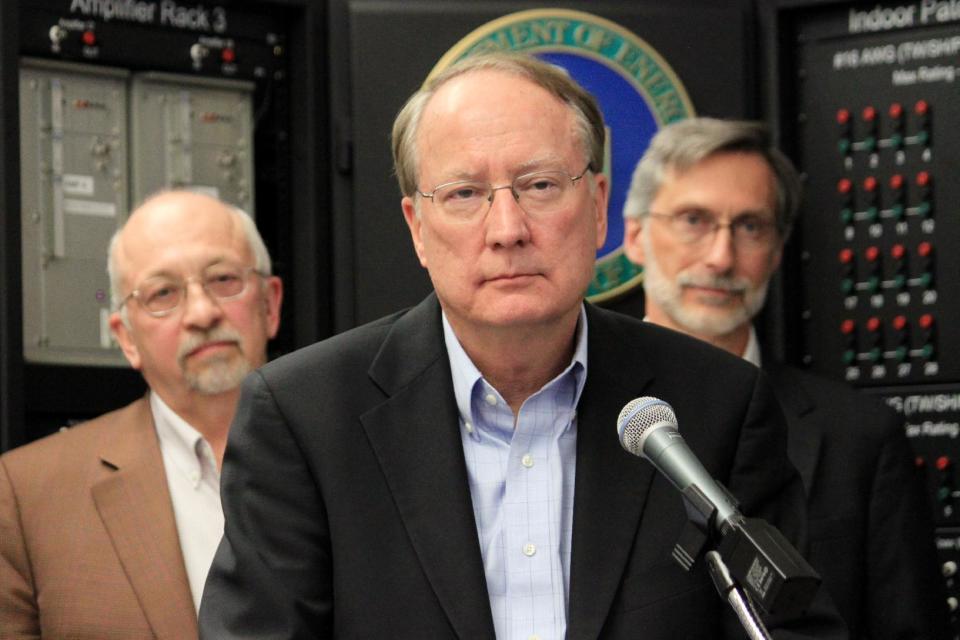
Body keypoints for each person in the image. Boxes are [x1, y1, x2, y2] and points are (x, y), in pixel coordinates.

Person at [199, 54, 843, 638]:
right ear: (417, 229)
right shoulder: (305, 418)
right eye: (464, 194)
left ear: (596, 207)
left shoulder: (716, 407)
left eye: (539, 186)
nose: (507, 229)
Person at [622, 116, 950, 638]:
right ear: (635, 236)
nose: (721, 257)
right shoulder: (572, 411)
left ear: (777, 251)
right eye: (693, 220)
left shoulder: (859, 439)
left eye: (750, 227)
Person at [0, 190, 283, 639]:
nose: (202, 313)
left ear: (269, 303)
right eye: (163, 293)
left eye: (224, 279)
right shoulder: (27, 494)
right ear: (126, 337)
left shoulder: (355, 454)